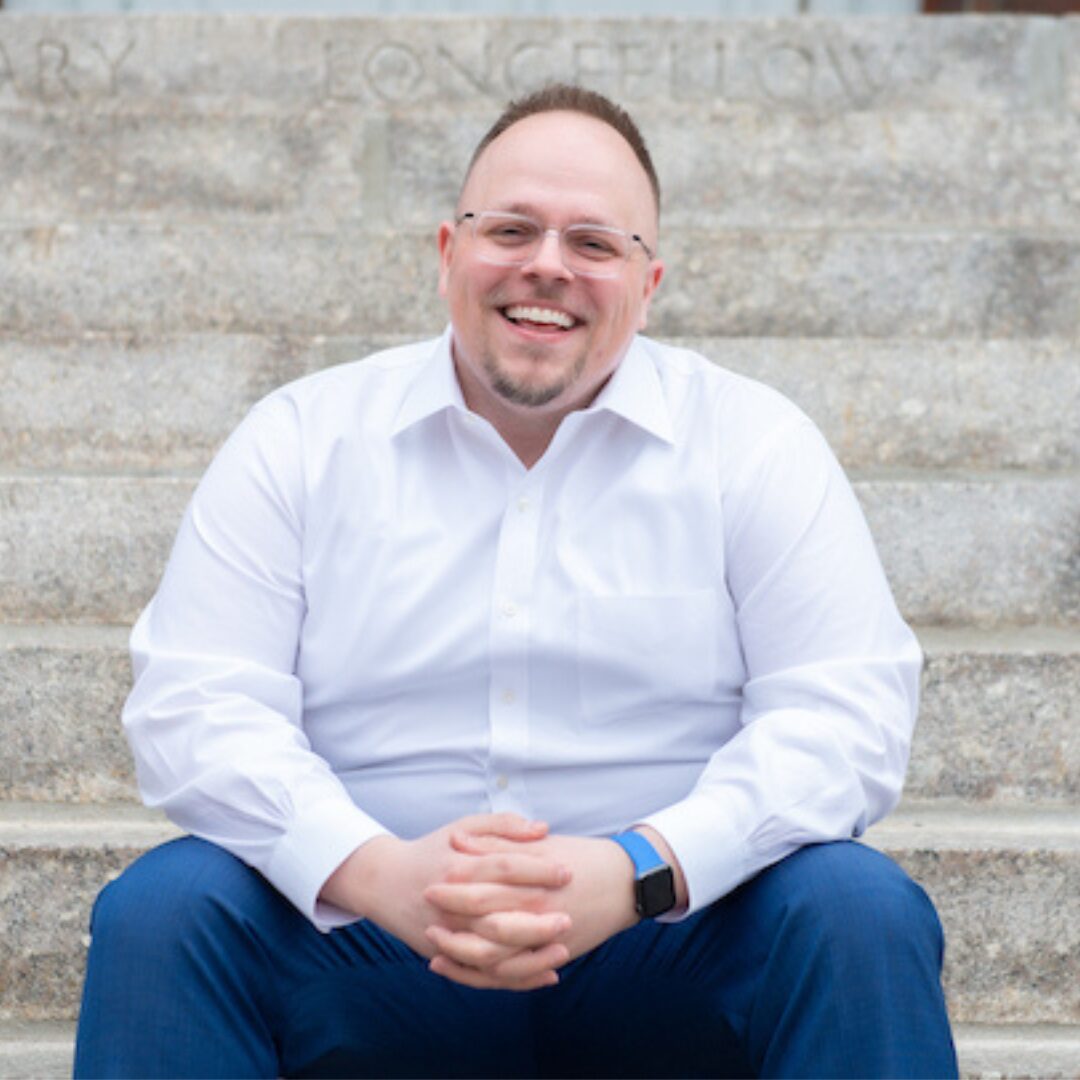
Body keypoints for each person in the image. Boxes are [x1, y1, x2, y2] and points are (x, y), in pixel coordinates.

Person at [74, 84, 957, 1078]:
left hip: (667, 943)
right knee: (163, 909)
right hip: (373, 946)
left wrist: (638, 870)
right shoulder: (303, 440)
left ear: (648, 279)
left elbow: (846, 718)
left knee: (858, 907)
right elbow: (196, 707)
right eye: (512, 229)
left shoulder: (753, 446)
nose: (547, 264)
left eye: (593, 242)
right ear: (447, 253)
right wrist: (378, 874)